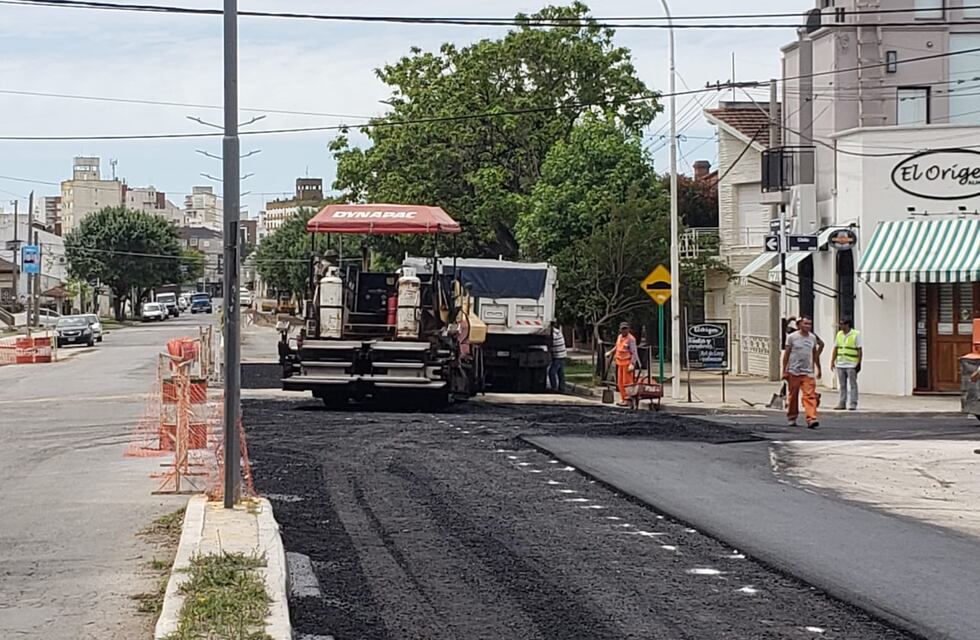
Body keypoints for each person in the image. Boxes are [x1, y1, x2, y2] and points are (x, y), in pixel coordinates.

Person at [782, 315, 822, 428]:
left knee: (810, 396)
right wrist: (784, 371)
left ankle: (811, 418)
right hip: (794, 371)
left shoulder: (812, 338)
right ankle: (792, 416)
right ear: (799, 325)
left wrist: (818, 368)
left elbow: (814, 354)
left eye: (809, 324)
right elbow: (787, 355)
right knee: (793, 396)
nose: (808, 326)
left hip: (808, 372)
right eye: (805, 324)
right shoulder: (792, 337)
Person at [830, 317, 862, 411]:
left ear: (847, 325)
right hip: (840, 363)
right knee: (842, 385)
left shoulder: (855, 334)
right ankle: (842, 402)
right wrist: (832, 361)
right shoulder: (839, 334)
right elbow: (836, 348)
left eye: (842, 324)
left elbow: (859, 350)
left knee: (853, 384)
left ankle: (853, 403)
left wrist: (859, 363)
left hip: (851, 364)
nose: (840, 326)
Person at [606, 322, 641, 407]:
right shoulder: (619, 337)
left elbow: (634, 352)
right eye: (622, 329)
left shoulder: (631, 339)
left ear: (628, 329)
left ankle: (629, 400)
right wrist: (610, 352)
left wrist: (632, 364)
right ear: (620, 330)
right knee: (620, 382)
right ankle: (623, 399)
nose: (624, 330)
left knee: (627, 382)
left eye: (625, 329)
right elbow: (617, 346)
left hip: (627, 363)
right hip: (619, 363)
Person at [548, 321, 567, 394]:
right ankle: (562, 389)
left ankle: (554, 388)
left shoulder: (554, 334)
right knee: (560, 373)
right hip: (561, 355)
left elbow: (551, 345)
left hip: (559, 356)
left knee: (552, 372)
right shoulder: (557, 332)